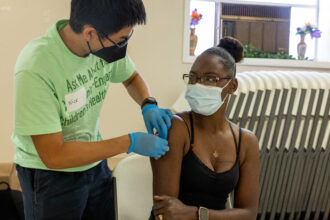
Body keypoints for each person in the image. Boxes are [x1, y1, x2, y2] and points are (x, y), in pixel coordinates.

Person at [12, 0, 173, 219]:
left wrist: (148, 104)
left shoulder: (103, 45)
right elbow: (54, 155)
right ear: (90, 33)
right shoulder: (36, 67)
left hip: (95, 167)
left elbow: (131, 77)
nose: (123, 47)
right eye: (121, 40)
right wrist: (130, 142)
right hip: (50, 176)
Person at [150, 37, 260, 220]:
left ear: (232, 86)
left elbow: (249, 214)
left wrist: (197, 214)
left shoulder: (246, 141)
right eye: (193, 78)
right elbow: (166, 212)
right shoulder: (177, 128)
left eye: (210, 79)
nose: (199, 85)